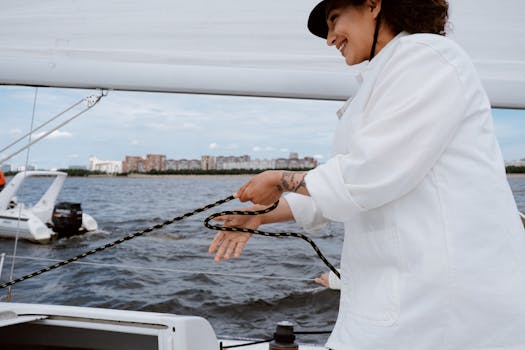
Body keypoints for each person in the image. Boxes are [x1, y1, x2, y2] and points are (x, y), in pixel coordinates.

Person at [209, 0, 525, 348]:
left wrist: (279, 178)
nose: (330, 39)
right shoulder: (388, 75)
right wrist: (261, 214)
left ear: (373, 4)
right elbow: (349, 187)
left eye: (333, 20)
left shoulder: (427, 56)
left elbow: (369, 175)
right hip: (398, 297)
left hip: (440, 309)